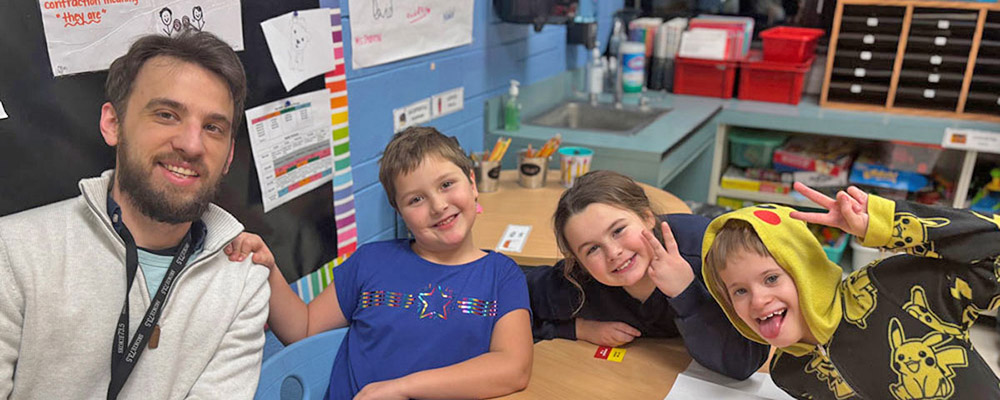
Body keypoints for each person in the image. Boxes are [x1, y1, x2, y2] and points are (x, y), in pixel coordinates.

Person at [0, 31, 270, 399]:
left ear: (228, 156)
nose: (192, 144)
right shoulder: (14, 253)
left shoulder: (241, 283)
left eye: (212, 127)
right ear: (113, 124)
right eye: (166, 114)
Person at [227, 127, 532, 399]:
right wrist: (269, 269)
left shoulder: (502, 276)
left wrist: (401, 388)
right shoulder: (370, 262)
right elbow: (304, 329)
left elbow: (512, 367)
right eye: (416, 199)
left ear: (472, 183)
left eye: (446, 184)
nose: (438, 206)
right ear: (399, 211)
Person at [701, 182, 1000, 399]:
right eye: (739, 291)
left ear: (805, 269)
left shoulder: (889, 287)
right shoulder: (788, 372)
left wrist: (889, 225)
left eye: (771, 279)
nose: (758, 300)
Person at [525, 170, 770, 380]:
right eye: (592, 249)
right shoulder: (580, 281)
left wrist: (685, 291)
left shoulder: (710, 254)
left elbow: (743, 363)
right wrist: (579, 329)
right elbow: (501, 301)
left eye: (619, 230)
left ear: (647, 217)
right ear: (577, 261)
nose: (613, 253)